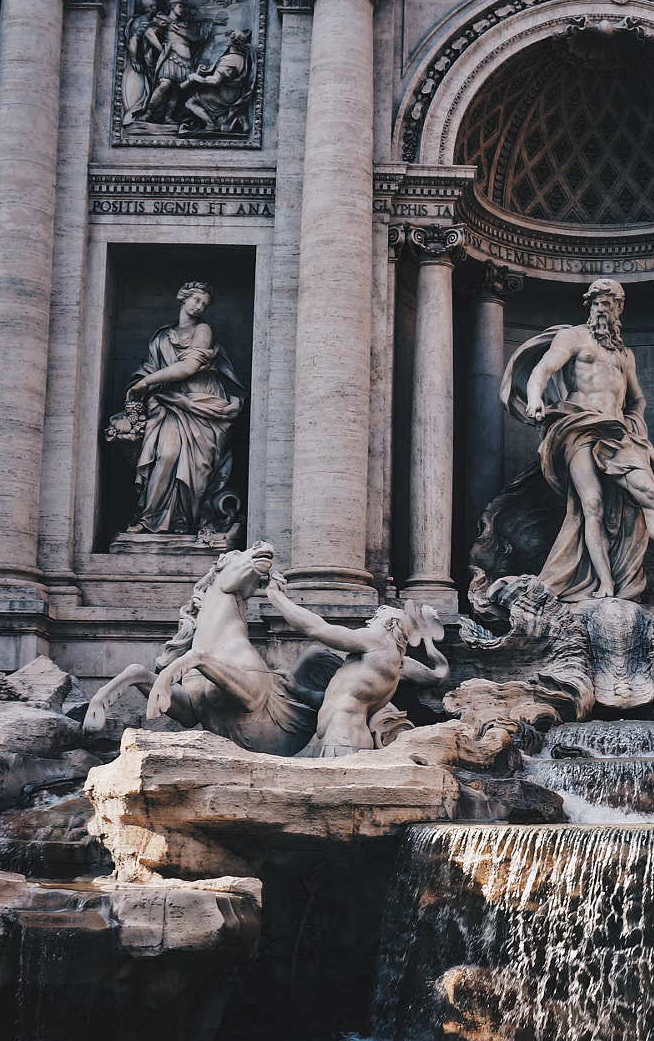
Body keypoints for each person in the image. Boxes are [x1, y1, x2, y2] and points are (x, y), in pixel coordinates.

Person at [512, 278, 654, 600]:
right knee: (592, 504)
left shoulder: (624, 355)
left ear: (619, 309)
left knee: (648, 492)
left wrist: (636, 423)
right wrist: (535, 398)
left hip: (616, 432)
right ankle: (604, 583)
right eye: (598, 302)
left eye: (609, 303)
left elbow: (637, 399)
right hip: (578, 425)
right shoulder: (572, 337)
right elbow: (543, 370)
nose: (603, 309)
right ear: (589, 306)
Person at [264, 574, 448, 756]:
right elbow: (438, 675)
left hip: (343, 737)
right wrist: (298, 690)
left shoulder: (379, 640)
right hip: (335, 736)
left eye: (376, 618)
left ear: (389, 624)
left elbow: (317, 628)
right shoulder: (395, 664)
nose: (369, 623)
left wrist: (276, 597)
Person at [122, 282, 243, 534]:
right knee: (165, 455)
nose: (199, 306)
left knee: (197, 468)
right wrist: (141, 384)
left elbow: (187, 368)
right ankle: (151, 519)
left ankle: (183, 521)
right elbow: (148, 369)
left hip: (201, 403)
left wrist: (145, 383)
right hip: (169, 402)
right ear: (183, 298)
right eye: (196, 300)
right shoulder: (161, 338)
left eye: (204, 304)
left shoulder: (203, 330)